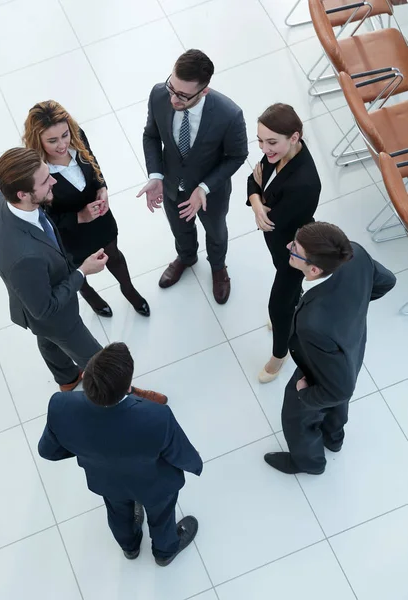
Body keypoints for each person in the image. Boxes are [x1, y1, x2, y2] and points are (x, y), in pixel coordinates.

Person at [0, 147, 166, 404]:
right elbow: (46, 308)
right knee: (102, 363)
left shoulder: (7, 197)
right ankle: (126, 397)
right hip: (56, 317)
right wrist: (82, 271)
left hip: (35, 302)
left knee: (48, 341)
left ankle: (68, 379)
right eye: (45, 180)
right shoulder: (23, 257)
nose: (53, 180)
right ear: (23, 194)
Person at [38, 342, 202, 566]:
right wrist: (195, 465)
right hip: (154, 484)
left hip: (106, 481)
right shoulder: (157, 417)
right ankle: (164, 552)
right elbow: (180, 453)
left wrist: (86, 450)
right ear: (128, 388)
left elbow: (48, 450)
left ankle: (130, 547)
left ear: (85, 375)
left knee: (117, 512)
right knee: (162, 515)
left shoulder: (60, 406)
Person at [264, 222, 396, 475]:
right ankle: (333, 438)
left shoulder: (313, 324)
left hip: (321, 367)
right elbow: (386, 281)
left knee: (296, 415)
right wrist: (352, 311)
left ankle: (309, 463)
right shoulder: (355, 253)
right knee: (337, 399)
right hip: (352, 350)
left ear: (313, 269)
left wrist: (305, 394)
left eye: (294, 249)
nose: (288, 247)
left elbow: (339, 389)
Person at [138, 49, 248, 304]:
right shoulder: (158, 94)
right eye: (172, 88)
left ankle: (218, 268)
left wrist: (205, 187)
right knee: (179, 228)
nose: (174, 99)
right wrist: (156, 175)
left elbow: (237, 155)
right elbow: (151, 135)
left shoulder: (229, 114)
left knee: (216, 232)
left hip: (210, 193)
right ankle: (187, 257)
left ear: (204, 91)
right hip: (171, 184)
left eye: (183, 96)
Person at [23, 100, 149, 318]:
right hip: (70, 234)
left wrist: (102, 187)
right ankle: (90, 296)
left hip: (100, 216)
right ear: (38, 140)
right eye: (52, 140)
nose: (62, 144)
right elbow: (44, 219)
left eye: (64, 135)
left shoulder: (77, 136)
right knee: (77, 270)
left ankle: (128, 289)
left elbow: (93, 163)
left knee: (115, 257)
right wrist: (80, 217)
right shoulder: (35, 171)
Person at [247, 104, 321, 383]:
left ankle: (279, 355)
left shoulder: (305, 183)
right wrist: (257, 202)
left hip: (294, 249)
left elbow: (271, 219)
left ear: (295, 137)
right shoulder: (278, 152)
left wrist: (260, 202)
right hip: (278, 241)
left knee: (277, 307)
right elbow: (251, 182)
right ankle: (295, 304)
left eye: (271, 142)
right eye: (261, 141)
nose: (265, 149)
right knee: (288, 294)